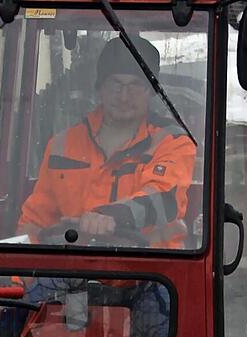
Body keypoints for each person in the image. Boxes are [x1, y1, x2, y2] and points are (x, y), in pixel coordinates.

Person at [17, 36, 196, 248]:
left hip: (152, 273)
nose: (124, 96)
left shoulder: (173, 142)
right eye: (115, 84)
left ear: (150, 91)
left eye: (135, 85)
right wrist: (20, 280)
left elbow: (163, 196)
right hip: (71, 273)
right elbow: (34, 223)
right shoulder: (62, 145)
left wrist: (108, 217)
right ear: (100, 88)